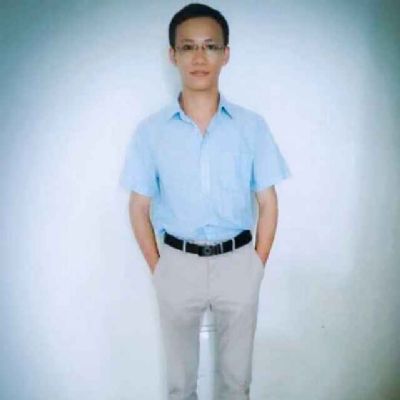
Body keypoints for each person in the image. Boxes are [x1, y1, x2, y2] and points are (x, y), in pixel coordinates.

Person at [119, 3, 291, 399]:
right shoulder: (151, 132)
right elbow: (138, 207)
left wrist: (256, 266)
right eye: (188, 47)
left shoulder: (251, 126)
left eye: (210, 46)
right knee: (180, 385)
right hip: (177, 264)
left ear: (225, 54)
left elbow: (268, 202)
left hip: (238, 262)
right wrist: (160, 269)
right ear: (173, 55)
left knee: (237, 382)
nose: (199, 57)